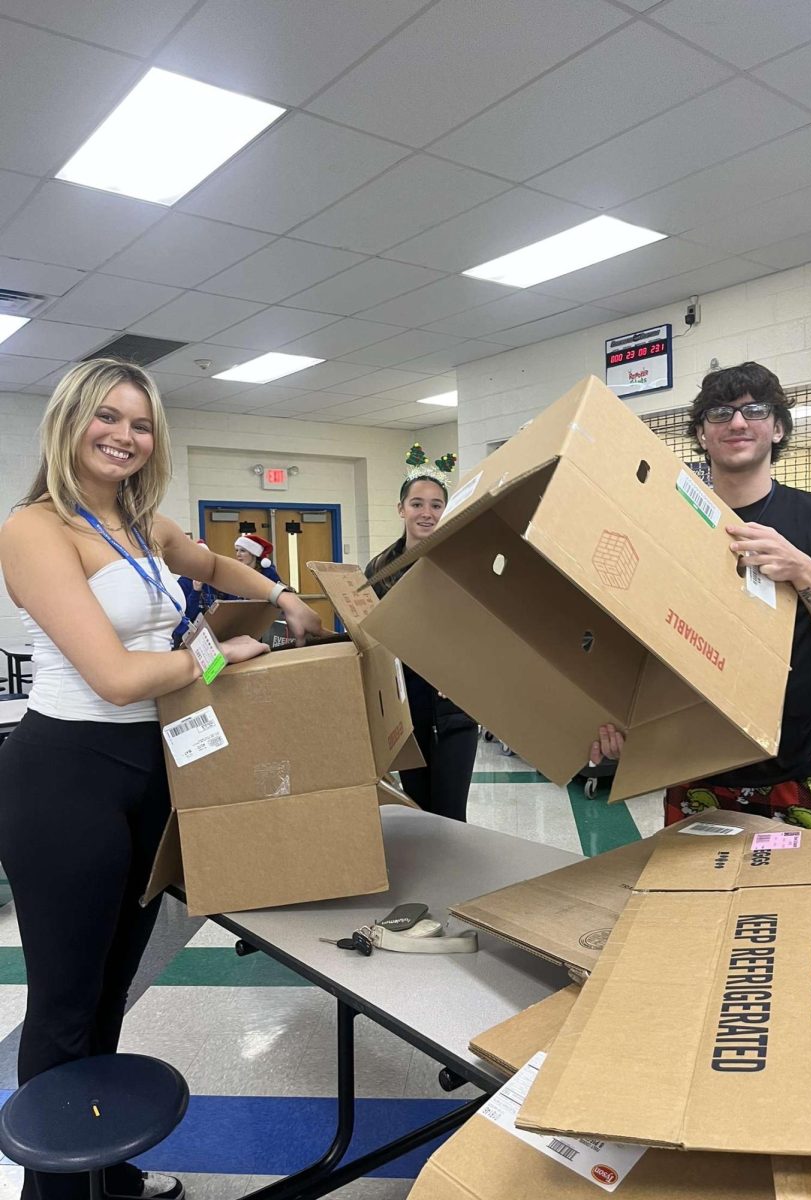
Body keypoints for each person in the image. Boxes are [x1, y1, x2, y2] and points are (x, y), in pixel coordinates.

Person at [0, 358, 322, 1200]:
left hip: (149, 771)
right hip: (66, 774)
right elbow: (112, 677)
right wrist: (220, 656)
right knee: (66, 1004)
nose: (124, 436)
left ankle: (105, 1165)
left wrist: (281, 593)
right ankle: (57, 1190)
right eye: (106, 418)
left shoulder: (145, 526)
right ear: (69, 422)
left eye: (140, 425)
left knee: (114, 988)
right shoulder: (34, 528)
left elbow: (213, 566)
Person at [592, 361, 811, 830]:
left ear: (779, 428)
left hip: (801, 769)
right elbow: (635, 641)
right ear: (701, 434)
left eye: (755, 410)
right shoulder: (667, 524)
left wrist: (803, 570)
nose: (737, 422)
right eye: (719, 412)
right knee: (695, 905)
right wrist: (618, 720)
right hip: (693, 771)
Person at [365, 475, 478, 822]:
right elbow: (372, 634)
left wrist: (459, 667)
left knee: (450, 812)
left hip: (456, 707)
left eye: (436, 504)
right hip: (406, 710)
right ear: (401, 509)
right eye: (417, 504)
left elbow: (482, 631)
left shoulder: (462, 563)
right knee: (419, 810)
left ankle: (457, 876)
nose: (426, 513)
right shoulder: (380, 569)